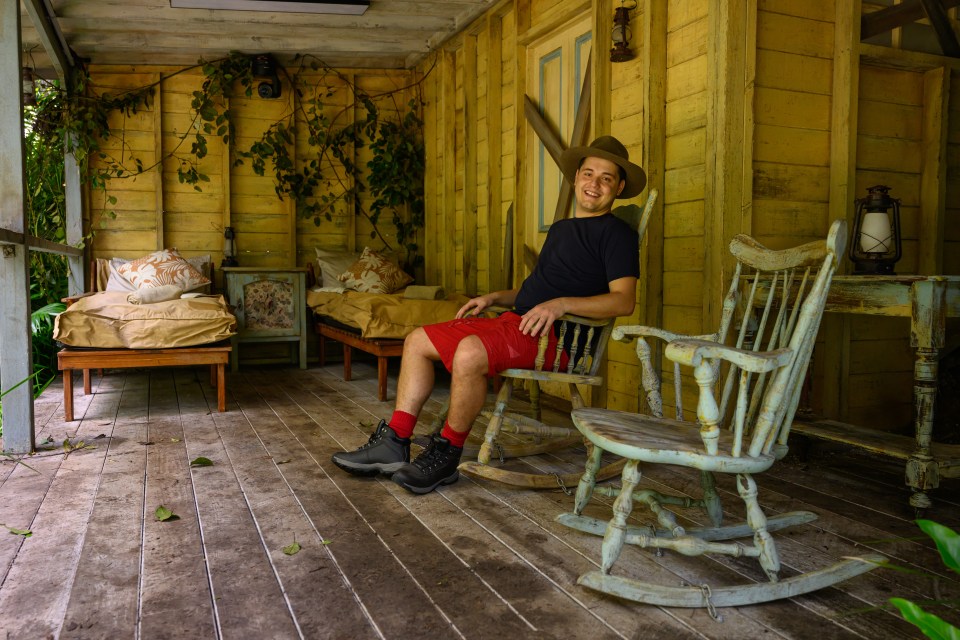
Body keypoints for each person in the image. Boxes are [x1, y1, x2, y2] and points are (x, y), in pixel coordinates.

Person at [331, 135, 646, 494]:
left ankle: (447, 453)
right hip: (518, 322)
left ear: (619, 187)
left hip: (557, 337)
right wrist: (496, 296)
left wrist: (562, 304)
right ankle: (395, 441)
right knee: (417, 340)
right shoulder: (562, 229)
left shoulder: (617, 234)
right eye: (589, 173)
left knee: (469, 351)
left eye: (606, 178)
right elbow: (538, 290)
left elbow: (623, 301)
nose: (595, 184)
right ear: (575, 178)